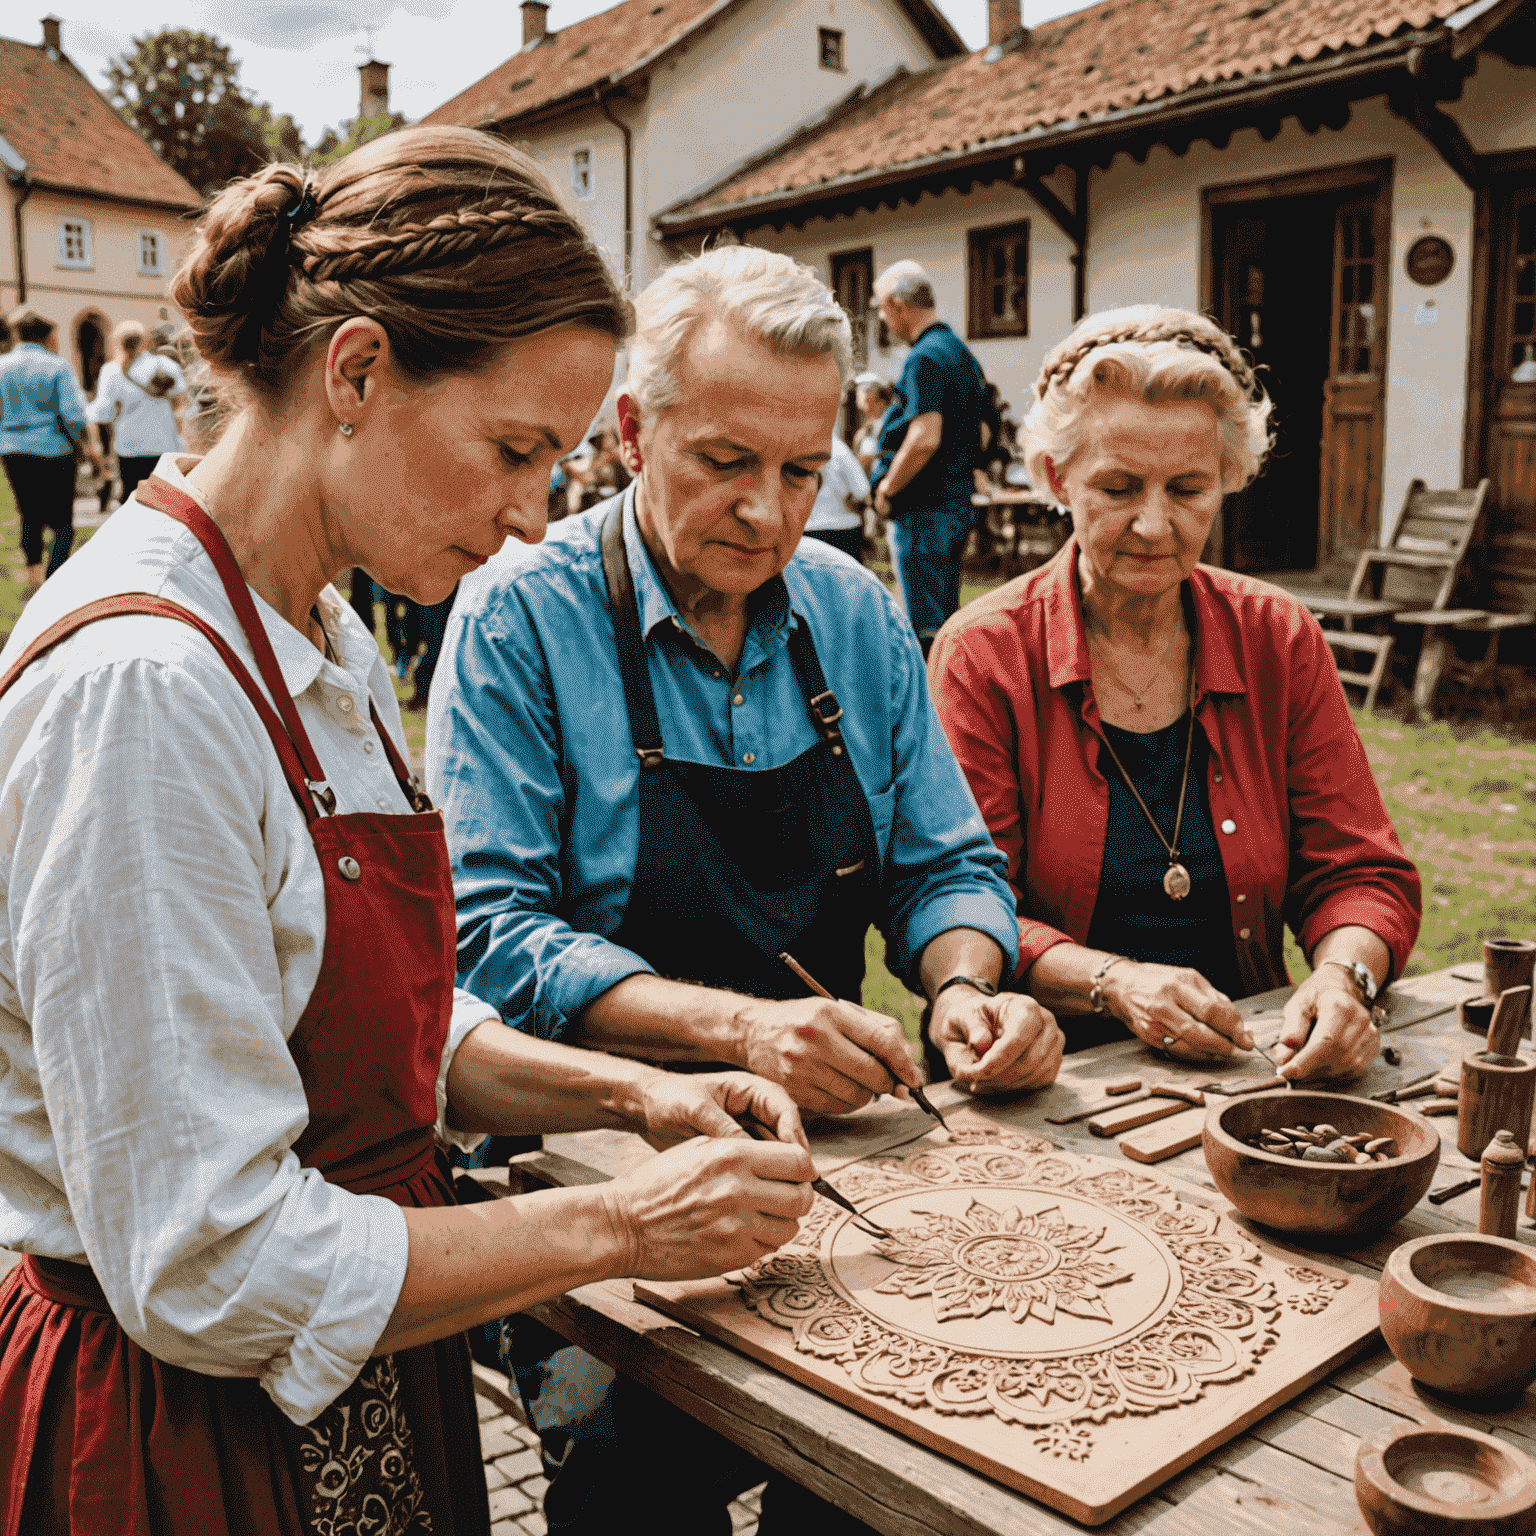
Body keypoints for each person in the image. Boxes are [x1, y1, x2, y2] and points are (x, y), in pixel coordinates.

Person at [0, 127, 824, 1536]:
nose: (523, 519)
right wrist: (625, 1225)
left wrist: (626, 1096)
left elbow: (367, 1018)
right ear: (360, 371)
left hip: (364, 1385)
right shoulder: (146, 690)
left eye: (552, 466)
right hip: (186, 1445)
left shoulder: (318, 636)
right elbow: (208, 1258)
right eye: (512, 451)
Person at [429, 244, 1063, 1535]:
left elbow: (946, 861)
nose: (768, 515)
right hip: (594, 1158)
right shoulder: (518, 620)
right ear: (629, 428)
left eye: (799, 470)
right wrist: (736, 1027)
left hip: (834, 1140)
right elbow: (489, 940)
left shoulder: (853, 611)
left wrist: (960, 985)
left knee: (893, 1460)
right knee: (636, 1471)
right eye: (725, 463)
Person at [928, 305, 1422, 1083]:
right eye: (1118, 487)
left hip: (1252, 1064)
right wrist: (1115, 983)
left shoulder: (1277, 637)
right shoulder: (986, 653)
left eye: (1188, 488)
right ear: (1057, 477)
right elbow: (965, 898)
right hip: (1048, 1076)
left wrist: (1342, 977)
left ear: (1229, 476)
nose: (1155, 525)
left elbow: (1360, 872)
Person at [869, 262, 999, 655]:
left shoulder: (924, 357)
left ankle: (929, 708)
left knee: (922, 630)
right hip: (954, 506)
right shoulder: (961, 354)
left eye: (880, 308)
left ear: (896, 305)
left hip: (923, 510)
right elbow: (985, 431)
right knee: (944, 619)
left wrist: (888, 488)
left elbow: (924, 437)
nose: (881, 318)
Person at [0, 307, 103, 588]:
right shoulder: (57, 366)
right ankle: (54, 577)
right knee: (62, 521)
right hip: (54, 449)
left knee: (29, 514)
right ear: (46, 336)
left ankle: (34, 577)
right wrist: (84, 445)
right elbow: (73, 414)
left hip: (13, 450)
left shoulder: (2, 366)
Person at [87, 319, 190, 503]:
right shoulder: (164, 365)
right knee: (164, 502)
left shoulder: (112, 371)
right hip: (164, 444)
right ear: (144, 341)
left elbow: (104, 413)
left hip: (130, 447)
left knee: (132, 502)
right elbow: (181, 402)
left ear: (117, 342)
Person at [801, 429, 868, 561]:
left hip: (807, 531)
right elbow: (862, 490)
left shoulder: (795, 450)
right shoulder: (838, 449)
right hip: (842, 530)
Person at [851, 370, 893, 473]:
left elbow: (865, 459)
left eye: (865, 402)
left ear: (880, 403)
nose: (859, 404)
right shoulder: (872, 424)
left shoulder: (882, 425)